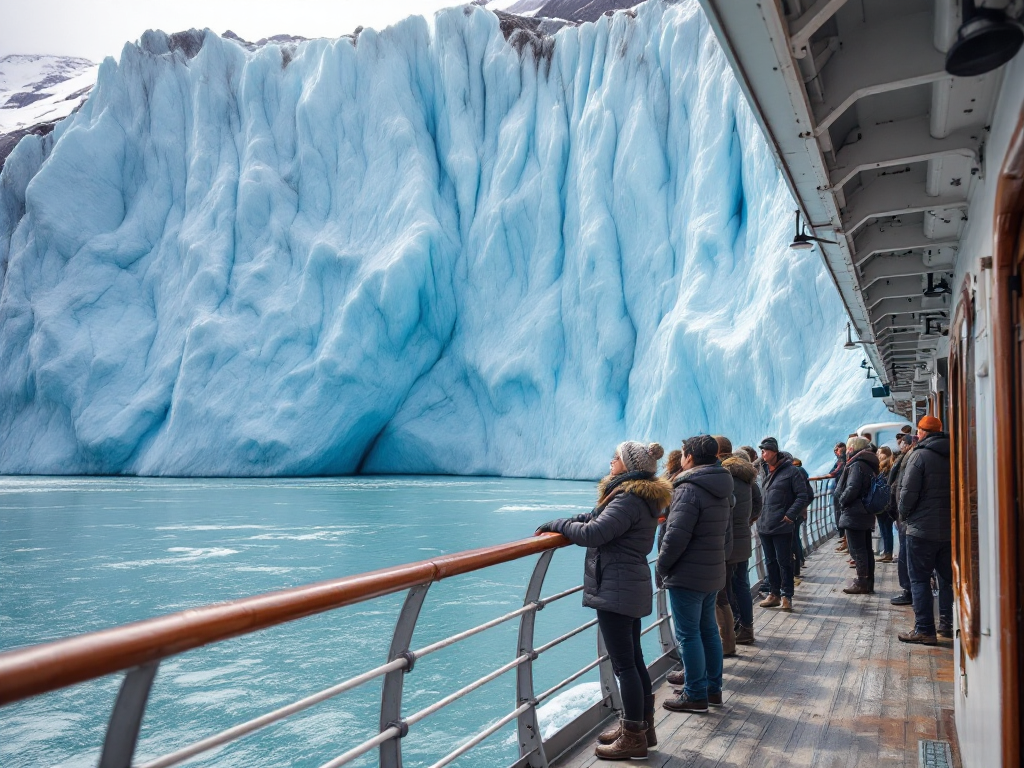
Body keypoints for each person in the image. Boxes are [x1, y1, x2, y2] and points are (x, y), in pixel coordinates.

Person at [535, 441, 672, 758]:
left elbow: (594, 533)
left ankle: (634, 737)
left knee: (626, 665)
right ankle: (639, 727)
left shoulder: (628, 498)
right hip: (625, 584)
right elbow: (600, 518)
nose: (611, 461)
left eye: (617, 457)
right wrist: (574, 518)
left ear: (629, 465)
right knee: (634, 660)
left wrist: (558, 525)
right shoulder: (636, 495)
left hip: (617, 587)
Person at [657, 435, 734, 713]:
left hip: (687, 573)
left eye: (683, 454)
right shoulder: (723, 486)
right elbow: (726, 533)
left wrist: (662, 566)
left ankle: (695, 694)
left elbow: (675, 536)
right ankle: (712, 690)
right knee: (708, 631)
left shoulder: (688, 489)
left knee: (689, 635)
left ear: (688, 457)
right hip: (712, 570)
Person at [898, 416, 953, 645]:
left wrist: (903, 516)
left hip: (921, 531)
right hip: (949, 529)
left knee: (919, 580)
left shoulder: (919, 455)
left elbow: (908, 493)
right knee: (947, 579)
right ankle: (948, 624)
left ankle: (924, 630)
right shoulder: (955, 452)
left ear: (921, 432)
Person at [755, 437, 810, 611]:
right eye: (761, 450)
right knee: (770, 561)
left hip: (781, 524)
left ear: (775, 452)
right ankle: (774, 593)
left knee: (784, 561)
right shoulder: (763, 469)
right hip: (764, 523)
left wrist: (790, 515)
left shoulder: (791, 471)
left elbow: (803, 495)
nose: (763, 453)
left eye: (765, 450)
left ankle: (787, 595)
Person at [723, 449, 761, 645]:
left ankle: (732, 628)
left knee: (726, 589)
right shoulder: (749, 480)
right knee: (742, 584)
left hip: (728, 542)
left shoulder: (726, 479)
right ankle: (747, 626)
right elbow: (758, 505)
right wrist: (747, 521)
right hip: (743, 539)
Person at [834, 436, 880, 594]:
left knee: (858, 549)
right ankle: (868, 581)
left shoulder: (857, 465)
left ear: (852, 449)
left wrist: (842, 500)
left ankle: (862, 582)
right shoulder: (868, 464)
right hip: (864, 512)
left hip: (855, 512)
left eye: (848, 448)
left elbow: (852, 487)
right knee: (865, 548)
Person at [889, 434, 917, 605]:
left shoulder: (911, 460)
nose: (900, 446)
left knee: (907, 556)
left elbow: (904, 489)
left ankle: (909, 591)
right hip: (910, 516)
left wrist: (900, 513)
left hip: (908, 518)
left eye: (903, 444)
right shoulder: (908, 459)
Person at [790, 458, 813, 581]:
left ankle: (797, 565)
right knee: (795, 537)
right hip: (798, 511)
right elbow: (809, 494)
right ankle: (799, 561)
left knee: (793, 538)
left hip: (793, 512)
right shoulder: (802, 473)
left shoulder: (797, 473)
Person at [875, 446, 895, 562]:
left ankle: (888, 553)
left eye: (880, 453)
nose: (878, 455)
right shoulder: (884, 467)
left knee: (886, 529)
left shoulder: (886, 468)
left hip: (885, 503)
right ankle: (887, 552)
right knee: (884, 529)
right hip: (884, 503)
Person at [827, 443, 848, 552]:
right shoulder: (845, 460)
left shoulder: (841, 461)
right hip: (842, 490)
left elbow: (833, 472)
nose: (835, 452)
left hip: (841, 491)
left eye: (837, 450)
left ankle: (844, 538)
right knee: (842, 514)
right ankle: (844, 538)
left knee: (840, 514)